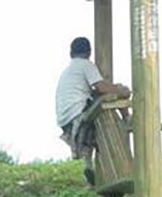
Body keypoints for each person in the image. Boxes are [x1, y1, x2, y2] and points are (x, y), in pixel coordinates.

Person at [55, 36, 131, 186]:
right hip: (78, 111)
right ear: (89, 52)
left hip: (65, 118)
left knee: (93, 133)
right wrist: (122, 91)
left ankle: (88, 165)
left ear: (71, 53)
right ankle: (127, 119)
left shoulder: (69, 69)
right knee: (113, 94)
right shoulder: (86, 65)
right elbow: (101, 87)